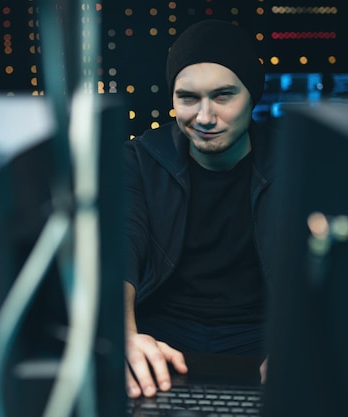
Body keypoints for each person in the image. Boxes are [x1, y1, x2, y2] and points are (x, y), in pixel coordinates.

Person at [123, 19, 276, 399]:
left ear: (252, 96)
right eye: (188, 98)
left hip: (262, 337)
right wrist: (124, 335)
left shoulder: (293, 162)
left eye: (223, 96)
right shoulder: (141, 159)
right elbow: (120, 245)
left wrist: (302, 344)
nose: (205, 117)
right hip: (162, 342)